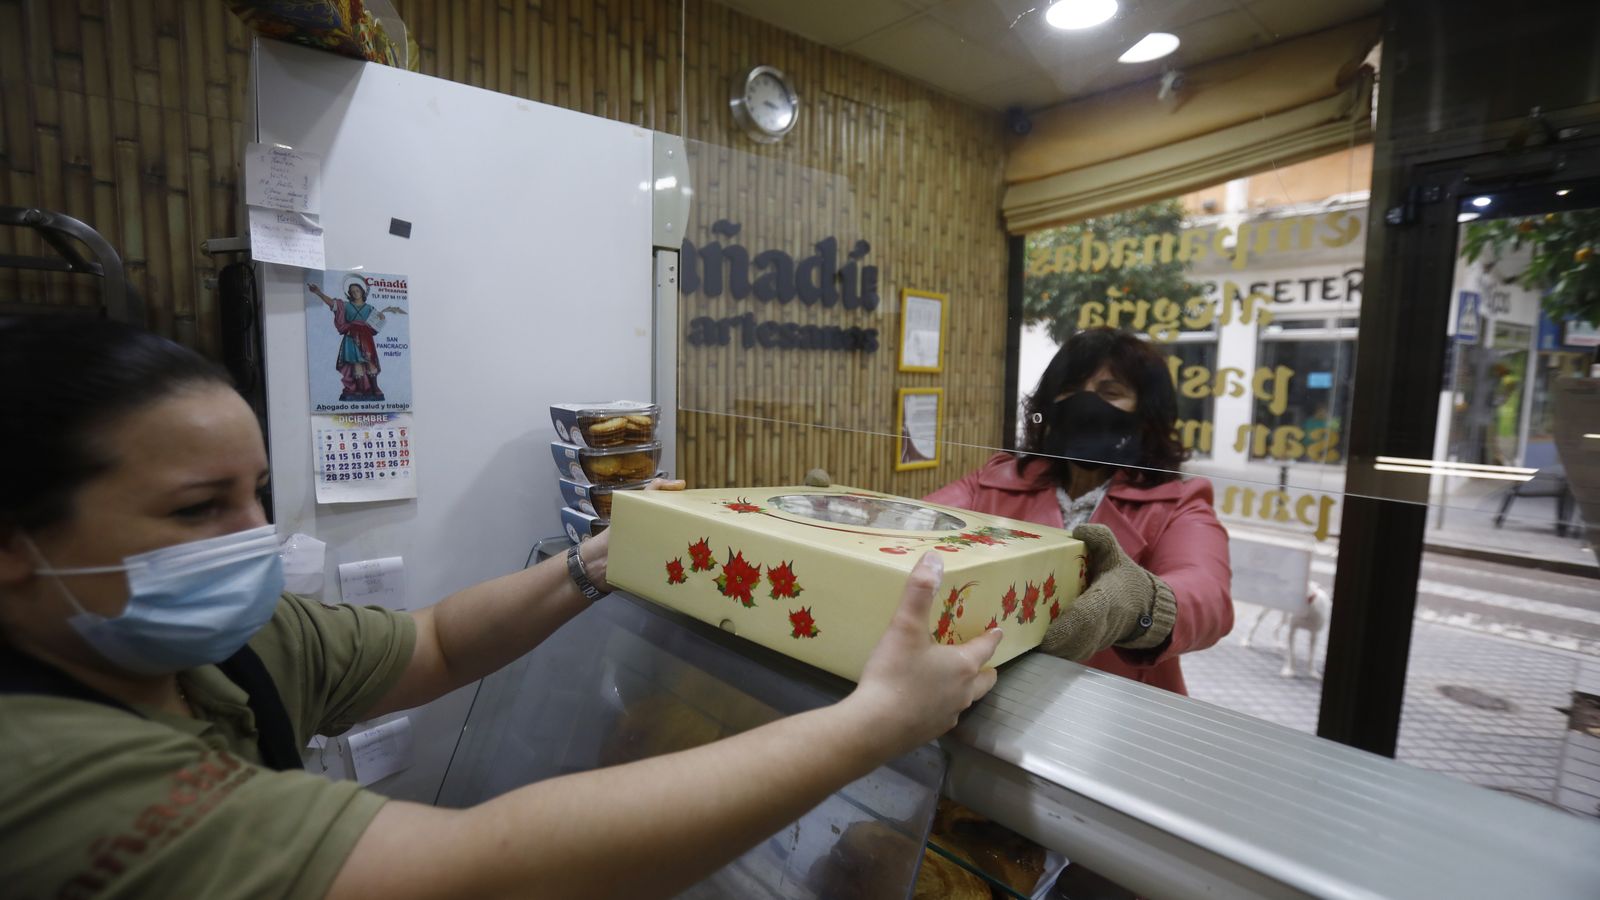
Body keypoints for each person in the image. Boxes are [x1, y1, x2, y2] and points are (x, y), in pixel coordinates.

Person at [0, 317, 1003, 899]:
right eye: (197, 508)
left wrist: (599, 563)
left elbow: (433, 640)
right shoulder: (43, 770)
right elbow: (481, 872)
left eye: (254, 493)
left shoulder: (230, 649)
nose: (249, 534)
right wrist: (875, 724)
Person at [928, 327, 1232, 695]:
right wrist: (845, 507)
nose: (1084, 405)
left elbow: (1209, 596)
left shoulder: (1179, 501)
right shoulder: (997, 479)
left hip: (1110, 707)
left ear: (1147, 416)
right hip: (992, 693)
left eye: (1111, 393)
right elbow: (920, 523)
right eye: (1070, 390)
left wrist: (1143, 603)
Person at [307, 276, 405, 402]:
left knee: (369, 361)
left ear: (362, 292)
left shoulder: (369, 308)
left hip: (366, 338)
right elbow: (332, 303)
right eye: (352, 291)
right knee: (356, 363)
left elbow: (376, 323)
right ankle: (359, 390)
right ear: (349, 294)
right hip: (351, 337)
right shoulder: (345, 306)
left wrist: (380, 317)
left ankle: (375, 388)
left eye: (357, 290)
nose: (355, 293)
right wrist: (318, 292)